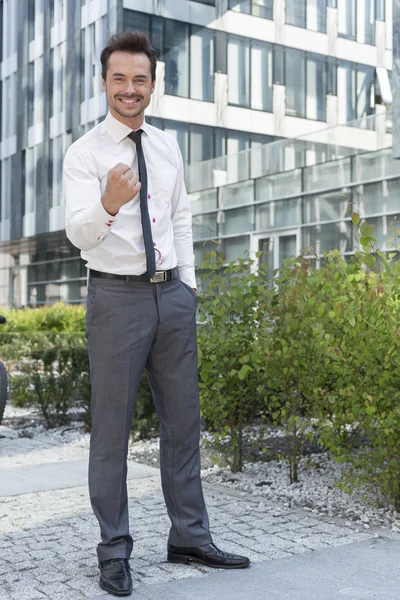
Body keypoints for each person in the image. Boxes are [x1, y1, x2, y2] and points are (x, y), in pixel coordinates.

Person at [63, 31, 250, 597]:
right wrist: (108, 202)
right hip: (115, 298)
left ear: (152, 85)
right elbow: (77, 232)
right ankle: (114, 550)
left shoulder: (167, 147)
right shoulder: (86, 153)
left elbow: (182, 219)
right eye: (119, 78)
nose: (129, 88)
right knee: (112, 432)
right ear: (104, 83)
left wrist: (187, 285)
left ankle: (189, 535)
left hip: (171, 297)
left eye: (139, 79)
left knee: (183, 423)